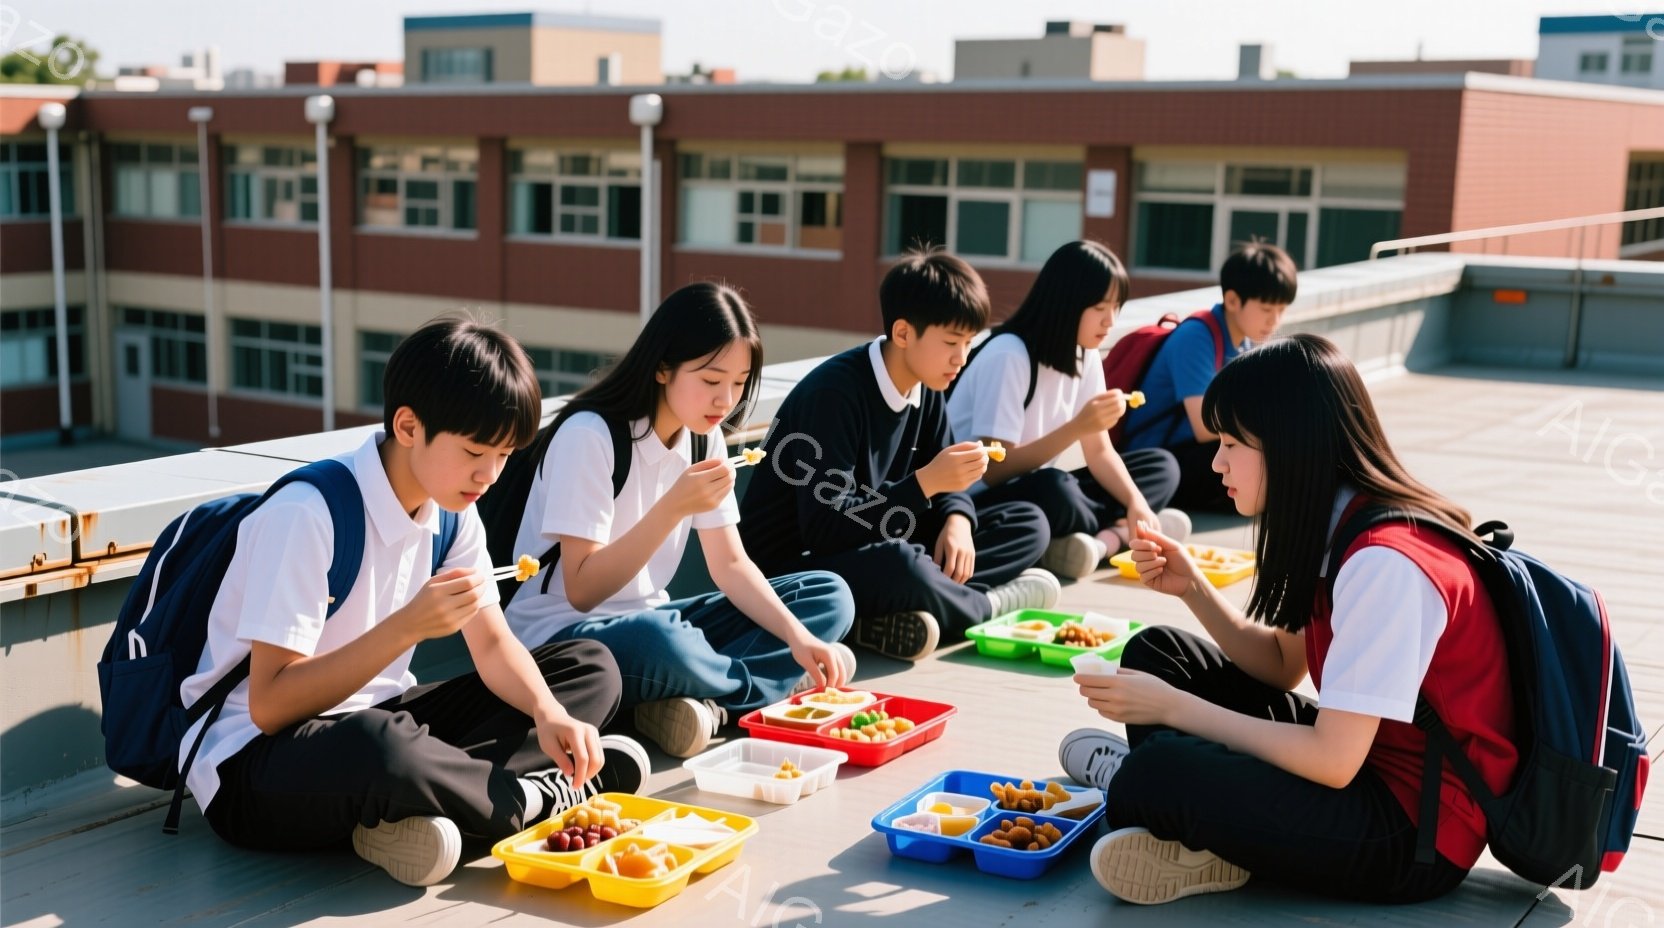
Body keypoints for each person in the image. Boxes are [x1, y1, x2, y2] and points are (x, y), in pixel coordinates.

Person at [182, 313, 647, 888]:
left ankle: (411, 813)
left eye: (504, 456)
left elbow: (494, 644)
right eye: (476, 451)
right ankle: (528, 799)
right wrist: (405, 629)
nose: (490, 475)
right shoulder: (306, 515)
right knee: (380, 748)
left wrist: (549, 713)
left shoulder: (452, 513)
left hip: (379, 721)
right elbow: (270, 705)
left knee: (588, 668)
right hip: (254, 765)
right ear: (408, 426)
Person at [1059, 334, 1516, 905]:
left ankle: (1179, 803)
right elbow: (1280, 668)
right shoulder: (1342, 521)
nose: (1216, 462)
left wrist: (1173, 710)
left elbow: (1332, 760)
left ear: (1289, 445)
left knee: (1151, 775)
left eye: (1230, 444)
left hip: (1409, 836)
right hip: (1367, 767)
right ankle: (1208, 832)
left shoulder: (1385, 562)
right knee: (1159, 653)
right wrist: (1192, 588)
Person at [503, 282, 856, 759]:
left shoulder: (700, 437)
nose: (726, 400)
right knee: (662, 640)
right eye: (711, 381)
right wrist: (672, 506)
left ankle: (705, 701)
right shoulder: (589, 436)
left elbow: (729, 564)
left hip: (654, 620)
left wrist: (800, 638)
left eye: (739, 382)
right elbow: (582, 589)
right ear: (663, 368)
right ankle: (750, 697)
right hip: (566, 640)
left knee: (827, 595)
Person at [740, 247, 1060, 662]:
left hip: (880, 535)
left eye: (967, 342)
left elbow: (948, 476)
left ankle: (913, 607)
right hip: (797, 570)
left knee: (1027, 521)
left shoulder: (925, 387)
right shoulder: (834, 395)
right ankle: (987, 608)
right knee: (903, 564)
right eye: (950, 342)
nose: (961, 359)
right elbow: (825, 528)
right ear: (904, 333)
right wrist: (925, 483)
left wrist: (958, 520)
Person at [945, 240, 1190, 581]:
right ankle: (1117, 536)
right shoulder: (1009, 355)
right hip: (980, 500)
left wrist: (1136, 502)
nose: (1110, 320)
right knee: (1055, 489)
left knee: (1161, 467)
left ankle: (1103, 538)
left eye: (1117, 307)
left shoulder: (1084, 353)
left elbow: (1100, 452)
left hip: (1037, 486)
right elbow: (993, 470)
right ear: (1068, 303)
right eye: (1101, 308)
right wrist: (1076, 427)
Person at [1119, 241, 1295, 512]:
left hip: (1190, 453)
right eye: (1266, 309)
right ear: (1233, 300)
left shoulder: (1243, 344)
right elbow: (1205, 428)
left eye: (1281, 310)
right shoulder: (1197, 337)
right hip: (1151, 462)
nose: (1275, 320)